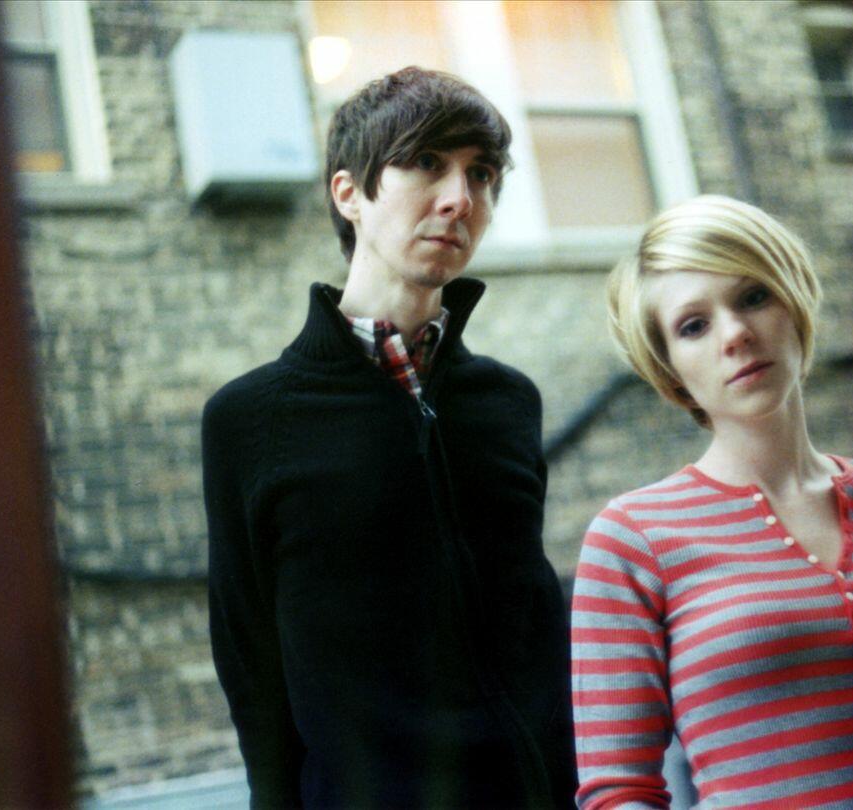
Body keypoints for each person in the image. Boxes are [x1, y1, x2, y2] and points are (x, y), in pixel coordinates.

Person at [571, 196, 853, 808]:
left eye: (753, 296)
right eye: (693, 326)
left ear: (795, 301)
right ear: (671, 370)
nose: (736, 333)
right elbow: (619, 789)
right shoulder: (632, 538)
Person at [203, 67, 576, 808]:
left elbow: (533, 627)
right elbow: (251, 666)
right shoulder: (251, 419)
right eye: (428, 163)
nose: (460, 198)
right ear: (349, 193)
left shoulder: (508, 401)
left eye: (482, 174)